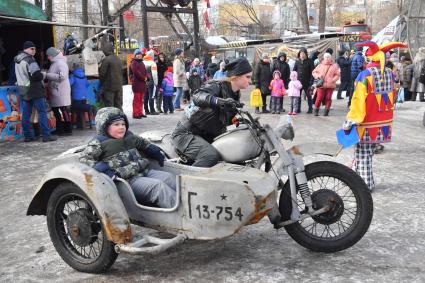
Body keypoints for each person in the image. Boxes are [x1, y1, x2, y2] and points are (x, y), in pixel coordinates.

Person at [79, 107, 176, 207]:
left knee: (170, 178)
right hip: (128, 182)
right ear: (104, 126)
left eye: (123, 124)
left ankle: (188, 204)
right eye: (116, 124)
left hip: (144, 172)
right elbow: (85, 159)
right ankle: (181, 213)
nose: (121, 127)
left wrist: (151, 148)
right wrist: (103, 169)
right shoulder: (99, 142)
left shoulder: (129, 136)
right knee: (158, 187)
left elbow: (142, 142)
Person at [343, 41, 406, 190]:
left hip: (365, 123)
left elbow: (358, 101)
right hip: (383, 124)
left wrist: (350, 120)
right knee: (368, 154)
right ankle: (359, 181)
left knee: (362, 155)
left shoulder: (364, 76)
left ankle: (364, 186)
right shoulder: (389, 74)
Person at [171, 57, 252, 167]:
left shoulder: (235, 94)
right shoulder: (217, 85)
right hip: (186, 133)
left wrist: (236, 121)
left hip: (205, 135)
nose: (250, 81)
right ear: (235, 77)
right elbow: (197, 96)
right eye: (247, 77)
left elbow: (222, 118)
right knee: (210, 156)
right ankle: (188, 181)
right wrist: (218, 101)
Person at [14, 41, 57, 142]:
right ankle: (46, 136)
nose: (34, 51)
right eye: (32, 49)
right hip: (35, 89)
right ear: (26, 49)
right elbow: (37, 76)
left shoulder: (17, 60)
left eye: (35, 49)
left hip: (24, 89)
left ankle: (28, 136)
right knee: (42, 112)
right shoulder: (29, 60)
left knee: (26, 114)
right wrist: (44, 74)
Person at [45, 47, 72, 136]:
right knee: (58, 111)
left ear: (52, 55)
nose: (48, 58)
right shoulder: (56, 63)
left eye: (48, 56)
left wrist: (47, 75)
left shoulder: (60, 63)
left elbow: (62, 76)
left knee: (61, 111)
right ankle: (62, 129)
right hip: (57, 91)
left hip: (60, 91)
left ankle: (66, 129)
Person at [99, 43, 123, 109]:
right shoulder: (118, 59)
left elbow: (102, 74)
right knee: (118, 105)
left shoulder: (106, 60)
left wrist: (101, 84)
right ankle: (120, 118)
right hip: (119, 86)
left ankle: (111, 119)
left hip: (109, 86)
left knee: (109, 105)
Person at [293, 47, 314, 113]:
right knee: (298, 96)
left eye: (303, 53)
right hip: (298, 82)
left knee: (308, 96)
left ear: (306, 54)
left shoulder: (310, 61)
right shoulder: (297, 61)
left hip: (307, 82)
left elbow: (313, 72)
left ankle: (310, 109)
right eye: (301, 53)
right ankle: (298, 108)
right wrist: (294, 80)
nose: (302, 55)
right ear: (299, 54)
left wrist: (311, 82)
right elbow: (294, 71)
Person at [130, 48, 147, 118]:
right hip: (137, 83)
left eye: (140, 54)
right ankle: (135, 113)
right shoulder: (134, 62)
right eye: (138, 54)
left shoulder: (142, 62)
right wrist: (144, 78)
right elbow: (136, 72)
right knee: (136, 99)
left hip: (142, 83)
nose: (140, 56)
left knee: (141, 99)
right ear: (135, 55)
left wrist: (147, 77)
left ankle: (140, 112)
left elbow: (145, 71)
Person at [143, 50, 159, 115]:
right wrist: (156, 82)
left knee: (145, 96)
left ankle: (146, 110)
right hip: (151, 82)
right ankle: (152, 110)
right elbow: (154, 74)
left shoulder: (142, 62)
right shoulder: (152, 63)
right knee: (151, 96)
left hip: (144, 82)